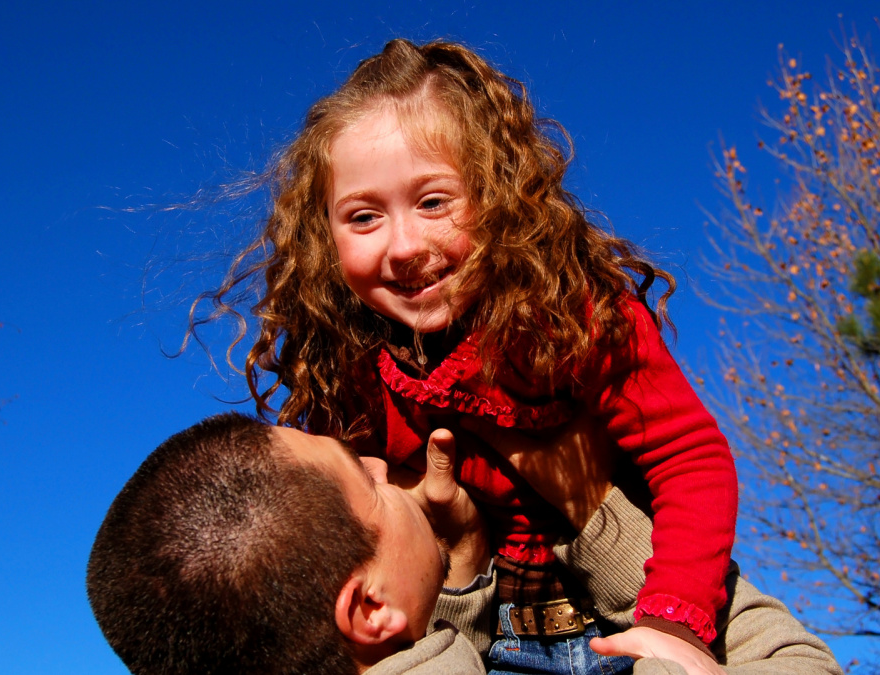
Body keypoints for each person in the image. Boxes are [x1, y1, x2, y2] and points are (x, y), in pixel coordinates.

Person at [198, 38, 736, 673]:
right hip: (481, 643)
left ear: (499, 196)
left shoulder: (575, 312)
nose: (402, 246)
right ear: (322, 235)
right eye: (363, 217)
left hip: (627, 622)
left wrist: (674, 623)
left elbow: (690, 459)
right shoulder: (349, 372)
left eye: (433, 202)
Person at [87, 413, 841, 675]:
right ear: (370, 606)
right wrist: (595, 516)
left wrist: (464, 568)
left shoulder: (392, 620)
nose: (386, 462)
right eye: (366, 477)